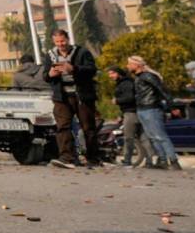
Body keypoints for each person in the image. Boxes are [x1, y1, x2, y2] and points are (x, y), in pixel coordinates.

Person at [42, 29, 100, 168]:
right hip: (61, 96)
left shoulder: (82, 52)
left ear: (68, 39)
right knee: (63, 126)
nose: (60, 44)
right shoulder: (50, 55)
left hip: (81, 95)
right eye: (57, 42)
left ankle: (93, 158)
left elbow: (92, 70)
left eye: (62, 41)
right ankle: (66, 158)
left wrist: (73, 69)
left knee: (88, 127)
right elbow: (45, 76)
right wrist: (50, 74)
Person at [127, 55, 180, 170]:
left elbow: (163, 91)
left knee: (160, 136)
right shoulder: (138, 78)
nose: (128, 66)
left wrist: (172, 107)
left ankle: (174, 161)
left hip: (152, 109)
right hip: (142, 110)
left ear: (137, 65)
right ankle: (162, 160)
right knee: (152, 137)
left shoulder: (148, 76)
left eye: (130, 64)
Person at [106, 66, 152, 168]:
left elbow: (130, 98)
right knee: (143, 138)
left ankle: (127, 160)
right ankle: (149, 161)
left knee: (128, 138)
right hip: (137, 113)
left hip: (131, 114)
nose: (110, 76)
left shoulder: (125, 83)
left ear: (119, 73)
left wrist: (117, 100)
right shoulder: (129, 82)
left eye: (112, 73)